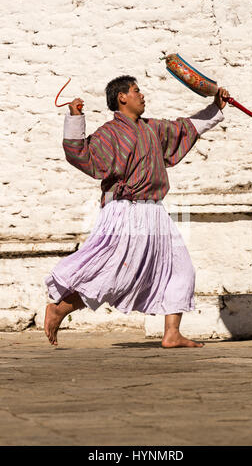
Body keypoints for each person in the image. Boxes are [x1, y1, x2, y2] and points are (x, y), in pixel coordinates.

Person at [44, 75, 229, 347]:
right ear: (122, 98)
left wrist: (216, 107)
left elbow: (185, 128)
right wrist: (74, 118)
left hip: (155, 211)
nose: (142, 95)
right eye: (135, 91)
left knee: (180, 268)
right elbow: (80, 154)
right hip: (125, 210)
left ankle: (172, 333)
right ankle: (61, 308)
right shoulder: (110, 133)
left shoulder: (152, 128)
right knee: (115, 272)